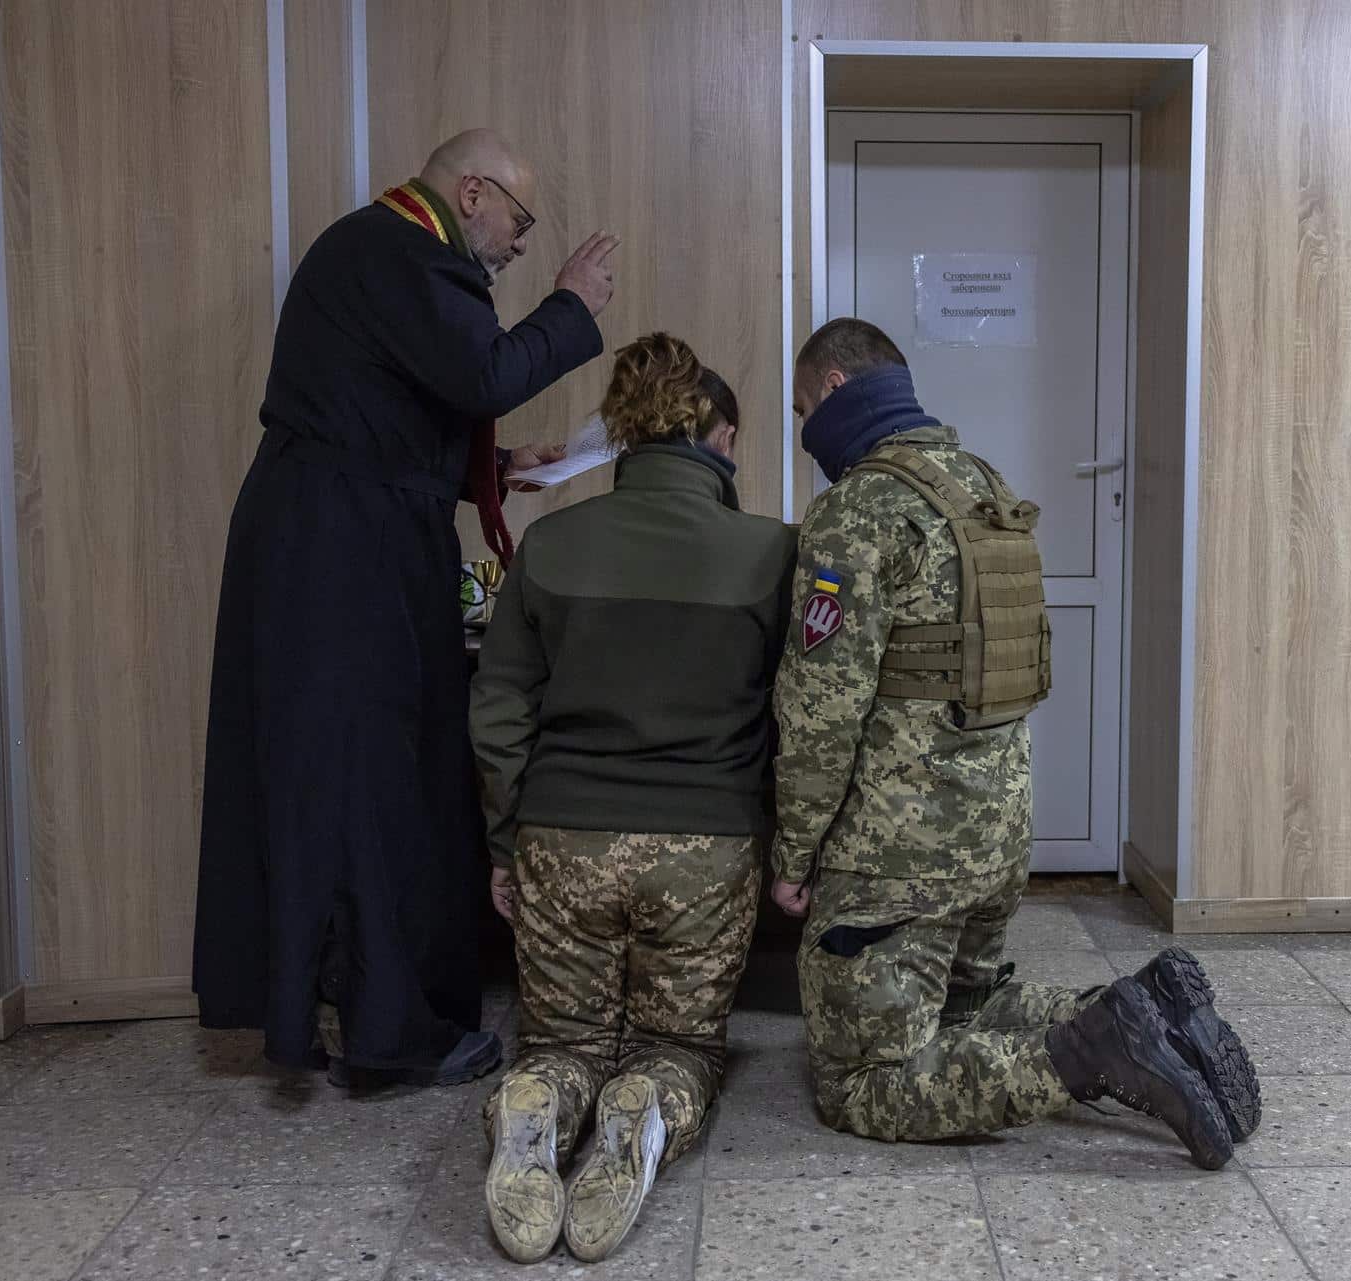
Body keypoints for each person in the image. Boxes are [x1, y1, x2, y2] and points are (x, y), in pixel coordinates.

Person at [770, 317, 1261, 1166]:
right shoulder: (984, 487)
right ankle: (1146, 1009)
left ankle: (1086, 1053)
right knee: (965, 1006)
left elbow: (821, 711)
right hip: (997, 834)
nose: (804, 426)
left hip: (899, 857)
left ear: (839, 390)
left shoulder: (855, 512)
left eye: (804, 406)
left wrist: (792, 854)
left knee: (861, 1082)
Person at [192, 128, 618, 1086]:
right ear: (472, 193)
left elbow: (389, 418)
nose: (518, 240)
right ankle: (389, 1037)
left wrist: (501, 467)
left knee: (384, 772)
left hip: (342, 538)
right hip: (338, 555)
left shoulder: (383, 250)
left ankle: (382, 1012)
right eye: (519, 217)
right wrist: (570, 305)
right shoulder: (397, 248)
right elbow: (479, 377)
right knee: (366, 781)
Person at [470, 335, 795, 1263]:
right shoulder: (772, 551)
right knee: (679, 1042)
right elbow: (798, 714)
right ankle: (647, 1103)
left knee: (560, 1037)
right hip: (706, 845)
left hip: (564, 837)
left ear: (623, 435)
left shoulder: (550, 543)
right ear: (719, 435)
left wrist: (507, 844)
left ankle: (542, 1104)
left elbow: (497, 712)